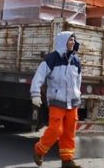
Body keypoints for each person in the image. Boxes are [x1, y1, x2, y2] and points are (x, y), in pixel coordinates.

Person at [30, 31, 82, 168]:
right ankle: (39, 150)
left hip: (73, 102)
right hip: (57, 101)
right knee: (56, 130)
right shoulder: (52, 58)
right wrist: (35, 93)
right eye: (70, 39)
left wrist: (78, 94)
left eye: (73, 40)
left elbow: (78, 80)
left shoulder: (76, 60)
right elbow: (39, 76)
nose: (72, 42)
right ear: (62, 41)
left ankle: (67, 160)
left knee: (69, 132)